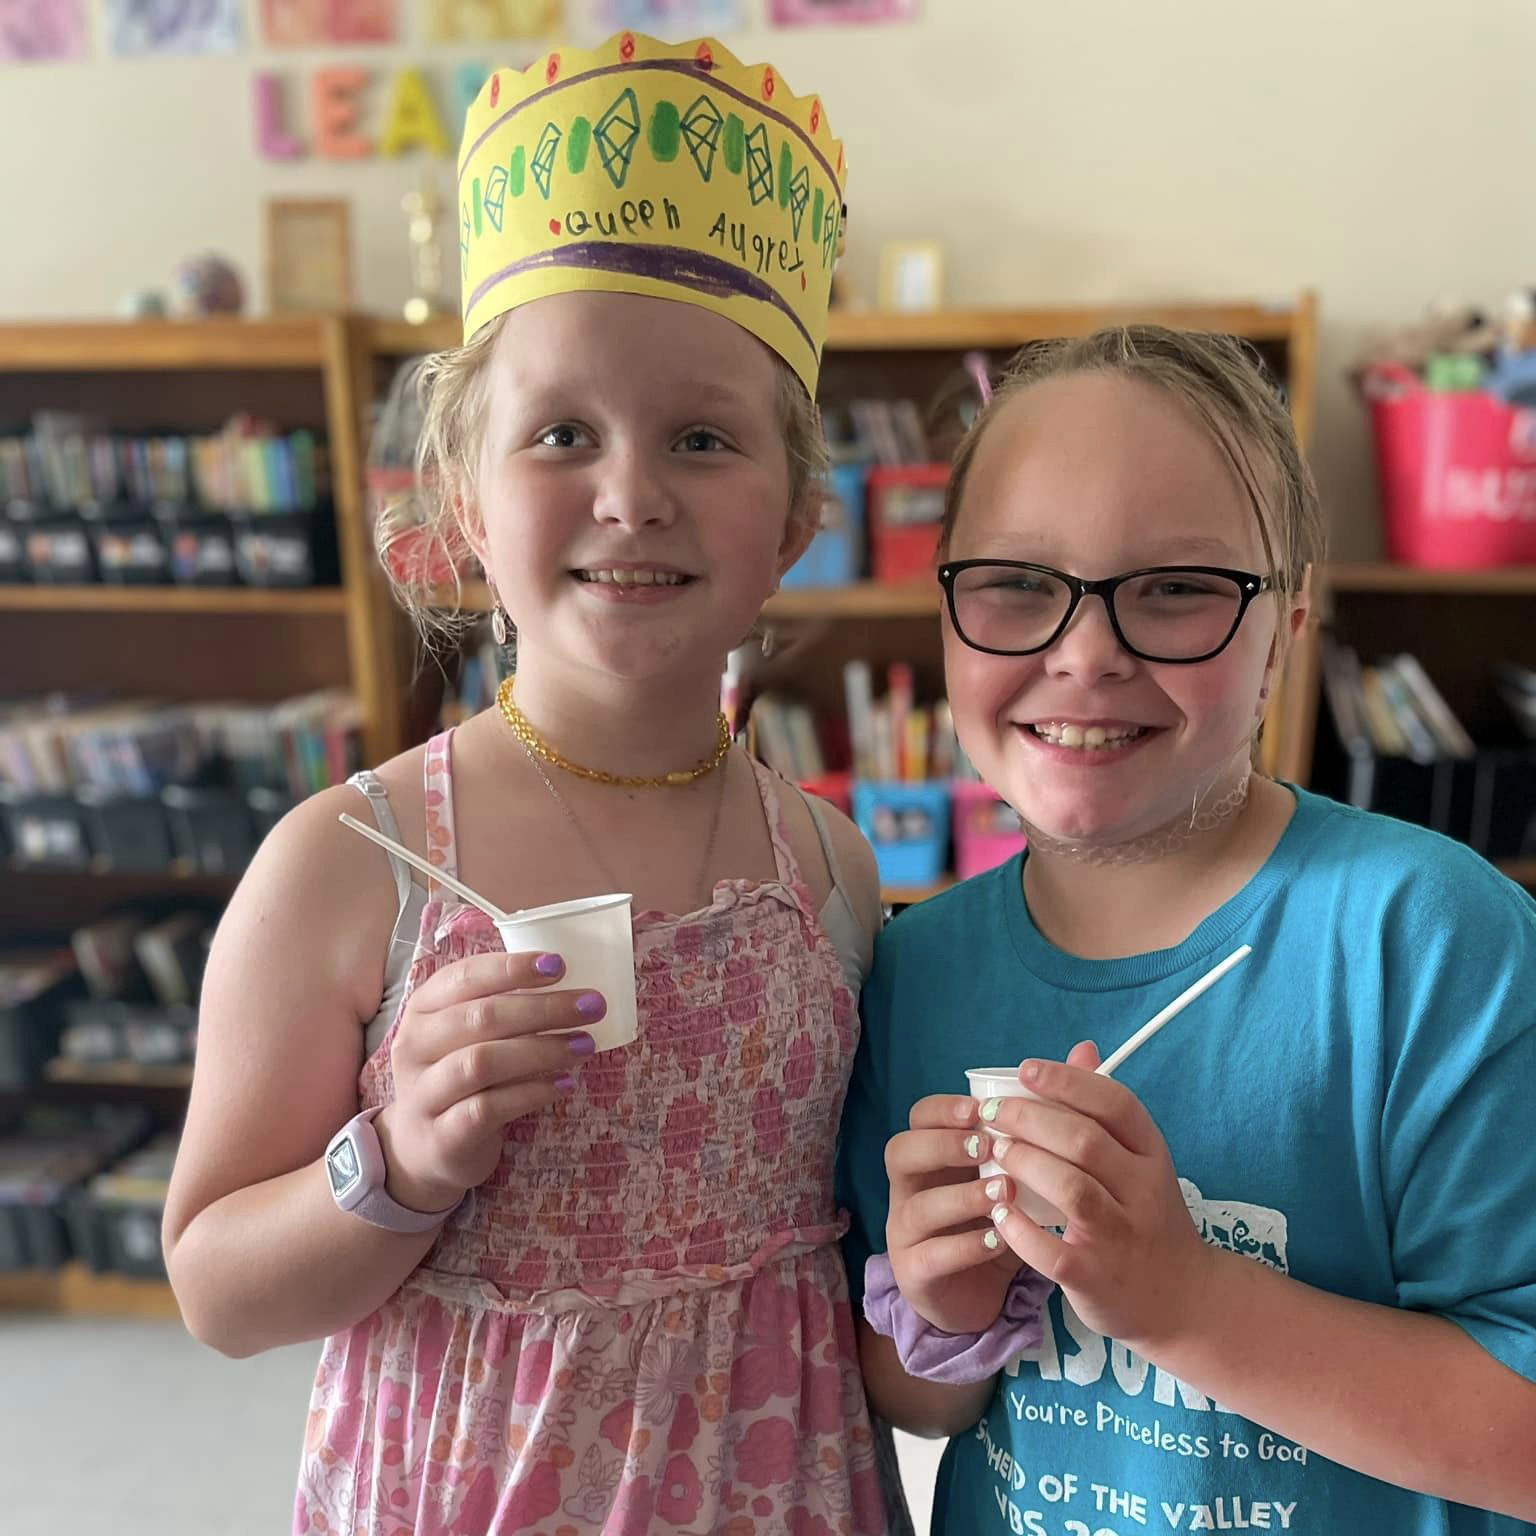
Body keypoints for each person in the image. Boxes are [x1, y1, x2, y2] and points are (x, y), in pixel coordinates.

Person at [164, 33, 892, 1534]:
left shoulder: (829, 866)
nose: (632, 491)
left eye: (704, 436)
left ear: (799, 517)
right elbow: (218, 1290)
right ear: (466, 497)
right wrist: (400, 1167)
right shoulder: (351, 860)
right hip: (475, 1485)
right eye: (562, 434)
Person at [837, 325, 1536, 1533]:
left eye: (1178, 589)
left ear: (1289, 631)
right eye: (1015, 583)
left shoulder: (1432, 943)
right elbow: (916, 1402)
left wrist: (1183, 1299)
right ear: (946, 604)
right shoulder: (911, 969)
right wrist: (943, 1314)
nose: (1087, 653)